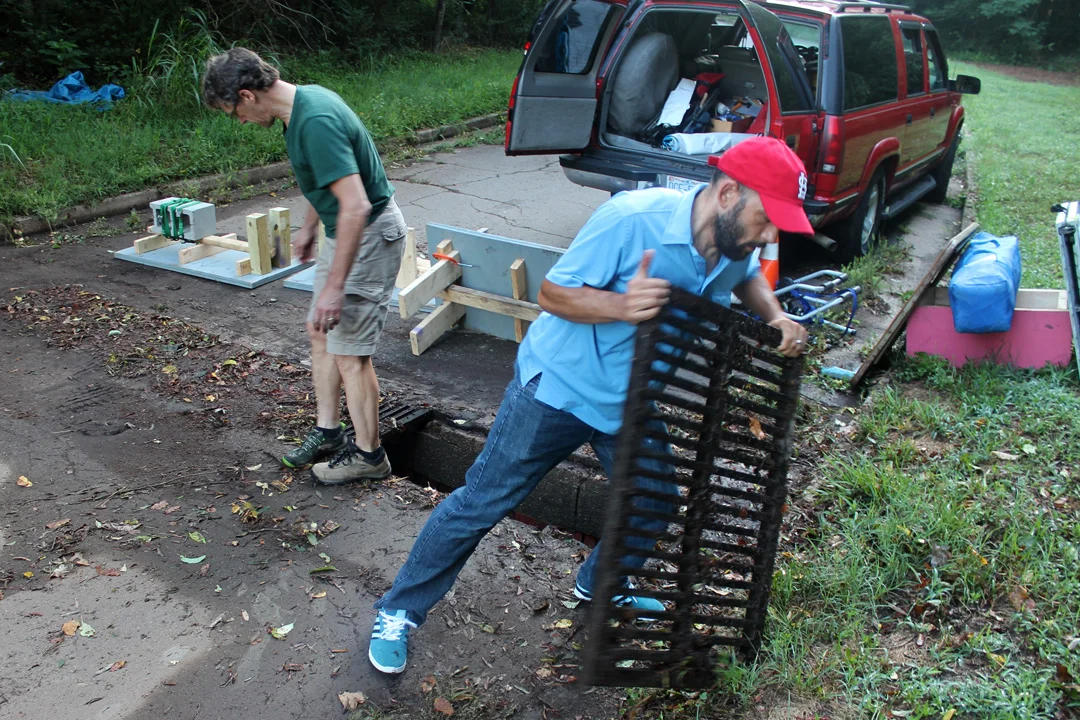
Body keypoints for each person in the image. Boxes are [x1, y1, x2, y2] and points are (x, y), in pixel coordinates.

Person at [365, 136, 812, 674]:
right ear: (728, 194)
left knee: (656, 499)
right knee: (482, 502)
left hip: (633, 399)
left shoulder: (733, 244)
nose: (769, 236)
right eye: (765, 220)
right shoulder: (632, 220)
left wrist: (776, 317)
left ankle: (601, 584)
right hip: (557, 390)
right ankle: (398, 611)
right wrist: (622, 305)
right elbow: (552, 295)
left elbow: (745, 283)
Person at [201, 48, 408, 485]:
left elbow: (356, 204)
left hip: (367, 234)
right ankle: (329, 432)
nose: (237, 121)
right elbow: (329, 184)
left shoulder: (315, 121)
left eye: (232, 112)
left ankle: (370, 458)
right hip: (345, 230)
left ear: (247, 95)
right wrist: (312, 224)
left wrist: (334, 288)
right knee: (321, 331)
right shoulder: (302, 107)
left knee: (351, 353)